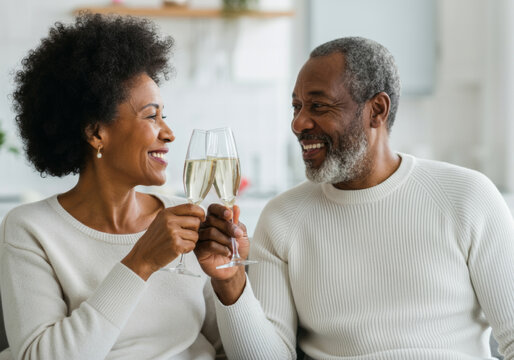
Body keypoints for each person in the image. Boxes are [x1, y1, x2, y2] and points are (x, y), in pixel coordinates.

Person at [196, 37, 514, 359]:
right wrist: (231, 282)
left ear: (376, 110)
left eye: (318, 106)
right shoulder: (281, 218)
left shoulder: (469, 197)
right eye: (297, 107)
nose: (298, 123)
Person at [0, 13, 241, 360]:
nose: (169, 133)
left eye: (164, 117)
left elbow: (230, 349)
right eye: (150, 116)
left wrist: (229, 280)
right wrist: (141, 261)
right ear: (97, 133)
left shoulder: (185, 218)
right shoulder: (30, 230)